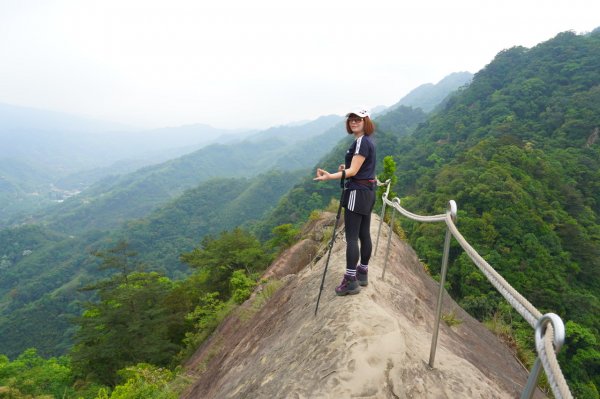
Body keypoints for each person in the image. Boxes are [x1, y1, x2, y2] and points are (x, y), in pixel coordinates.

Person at [314, 107, 376, 296]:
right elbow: (358, 167)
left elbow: (354, 172)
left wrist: (330, 176)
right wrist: (346, 168)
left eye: (358, 119)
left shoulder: (360, 142)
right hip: (368, 191)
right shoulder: (367, 142)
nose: (354, 122)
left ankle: (350, 281)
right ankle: (362, 272)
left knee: (352, 237)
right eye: (351, 119)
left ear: (366, 121)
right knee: (364, 233)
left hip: (357, 192)